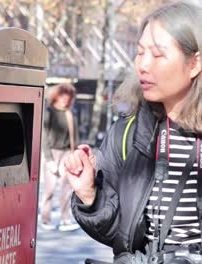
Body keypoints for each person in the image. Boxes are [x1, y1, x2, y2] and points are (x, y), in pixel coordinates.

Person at [64, 1, 202, 263]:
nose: (143, 65)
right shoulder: (126, 134)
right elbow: (119, 235)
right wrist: (89, 195)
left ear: (195, 63)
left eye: (158, 55)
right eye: (140, 52)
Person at [40, 83, 80, 231]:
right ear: (56, 96)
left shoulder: (70, 113)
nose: (65, 99)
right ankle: (45, 219)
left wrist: (75, 154)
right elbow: (43, 135)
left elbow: (75, 137)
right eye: (62, 95)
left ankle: (65, 219)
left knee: (66, 188)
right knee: (49, 189)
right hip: (51, 151)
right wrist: (49, 159)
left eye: (68, 96)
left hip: (66, 153)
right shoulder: (49, 112)